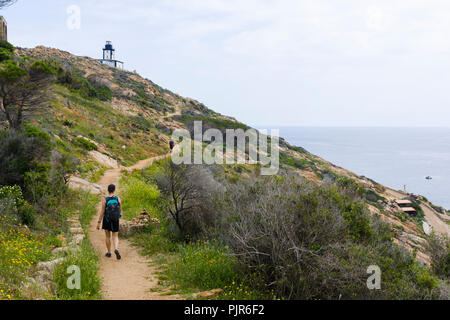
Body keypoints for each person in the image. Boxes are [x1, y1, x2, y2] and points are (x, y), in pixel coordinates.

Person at [97, 184, 122, 260]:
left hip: (107, 219)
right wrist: (118, 216)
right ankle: (116, 249)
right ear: (114, 190)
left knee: (108, 236)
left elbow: (102, 211)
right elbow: (120, 210)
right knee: (115, 236)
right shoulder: (118, 199)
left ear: (108, 190)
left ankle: (109, 252)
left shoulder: (105, 199)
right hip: (115, 219)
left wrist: (99, 222)